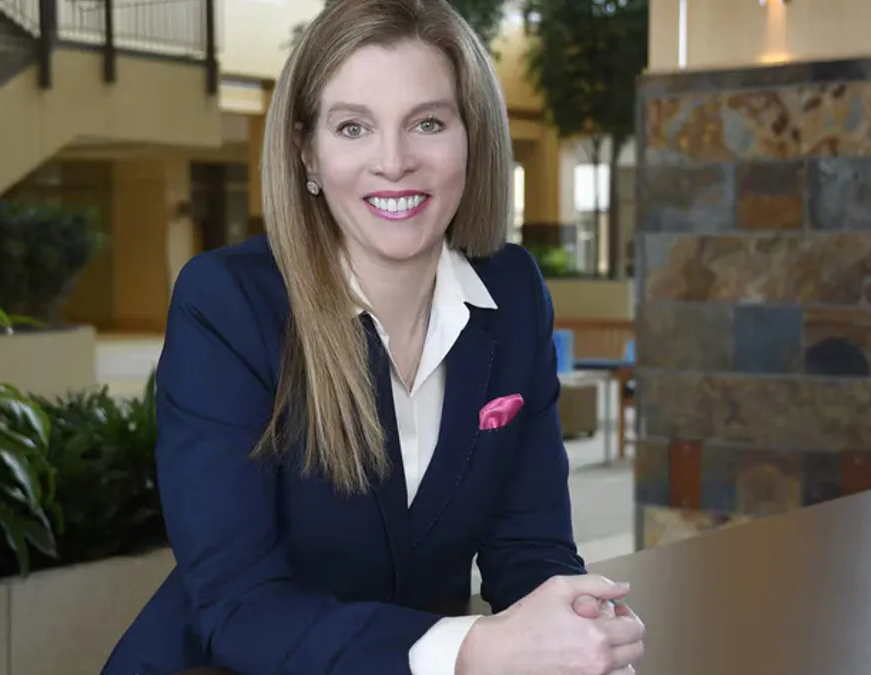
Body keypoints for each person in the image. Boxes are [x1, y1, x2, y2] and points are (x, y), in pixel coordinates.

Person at [101, 0, 645, 673]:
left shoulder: (513, 292)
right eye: (353, 127)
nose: (394, 162)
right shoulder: (227, 303)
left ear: (471, 137)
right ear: (307, 151)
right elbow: (239, 605)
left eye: (427, 122)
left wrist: (575, 626)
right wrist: (472, 648)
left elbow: (529, 544)